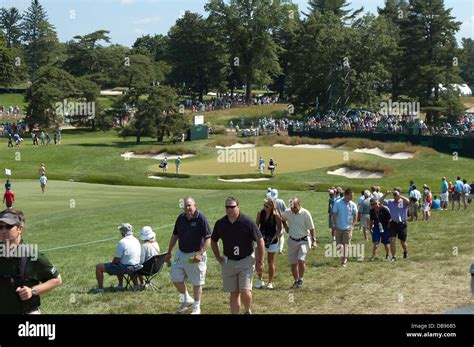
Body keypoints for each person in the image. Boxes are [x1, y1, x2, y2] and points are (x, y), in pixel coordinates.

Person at [0, 209, 62, 314]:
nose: (3, 230)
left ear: (20, 229)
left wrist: (32, 291)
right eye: (0, 227)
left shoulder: (32, 255)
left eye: (9, 226)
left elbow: (57, 280)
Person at [211, 197, 264, 314]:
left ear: (238, 207)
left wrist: (260, 261)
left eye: (232, 207)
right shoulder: (221, 223)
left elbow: (260, 240)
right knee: (234, 293)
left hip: (246, 261)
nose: (229, 209)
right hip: (228, 262)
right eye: (227, 207)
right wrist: (218, 257)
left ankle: (247, 310)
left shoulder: (247, 222)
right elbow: (213, 240)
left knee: (245, 290)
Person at [165, 197, 211, 315]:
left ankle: (196, 307)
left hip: (195, 254)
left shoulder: (201, 218)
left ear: (195, 205)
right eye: (185, 206)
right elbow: (175, 235)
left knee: (196, 282)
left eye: (189, 205)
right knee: (175, 277)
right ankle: (186, 298)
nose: (187, 208)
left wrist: (200, 253)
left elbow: (208, 238)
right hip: (181, 253)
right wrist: (169, 251)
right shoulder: (181, 218)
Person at [95, 223, 142, 292]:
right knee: (119, 263)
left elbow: (116, 260)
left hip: (126, 267)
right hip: (136, 266)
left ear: (122, 232)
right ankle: (121, 285)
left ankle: (100, 289)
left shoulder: (122, 242)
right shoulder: (136, 240)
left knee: (99, 267)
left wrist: (112, 262)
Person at [282, 197, 317, 288]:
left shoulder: (305, 213)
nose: (293, 209)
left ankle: (300, 279)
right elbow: (283, 219)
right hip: (292, 240)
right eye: (292, 207)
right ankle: (296, 280)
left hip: (303, 240)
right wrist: (286, 227)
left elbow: (312, 228)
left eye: (294, 207)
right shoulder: (288, 212)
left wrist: (314, 241)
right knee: (293, 263)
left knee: (301, 260)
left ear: (299, 205)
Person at [255, 198, 282, 289]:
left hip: (272, 240)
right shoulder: (260, 213)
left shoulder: (276, 215)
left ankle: (270, 282)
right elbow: (256, 226)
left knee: (271, 261)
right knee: (259, 260)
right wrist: (257, 237)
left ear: (271, 206)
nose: (264, 207)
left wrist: (275, 237)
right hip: (261, 239)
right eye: (264, 205)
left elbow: (279, 228)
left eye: (266, 205)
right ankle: (260, 280)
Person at [380, 188, 410, 261]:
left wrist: (400, 196)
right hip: (393, 223)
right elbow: (380, 202)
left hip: (402, 223)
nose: (395, 196)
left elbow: (408, 201)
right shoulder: (390, 202)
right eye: (394, 195)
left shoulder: (403, 201)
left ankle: (405, 251)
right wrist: (385, 194)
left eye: (396, 194)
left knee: (402, 241)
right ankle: (394, 256)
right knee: (392, 240)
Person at [332, 189, 358, 267]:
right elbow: (334, 213)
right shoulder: (338, 203)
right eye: (351, 195)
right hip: (339, 227)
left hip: (348, 228)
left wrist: (353, 225)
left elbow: (355, 214)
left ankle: (344, 261)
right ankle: (343, 257)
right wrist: (335, 224)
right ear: (346, 195)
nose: (352, 197)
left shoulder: (352, 204)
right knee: (339, 246)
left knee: (346, 245)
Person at [270, 189, 287, 253]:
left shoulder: (270, 201)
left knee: (275, 234)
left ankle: (275, 247)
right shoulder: (281, 201)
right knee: (281, 235)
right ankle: (280, 249)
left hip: (272, 221)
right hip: (281, 219)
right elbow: (285, 209)